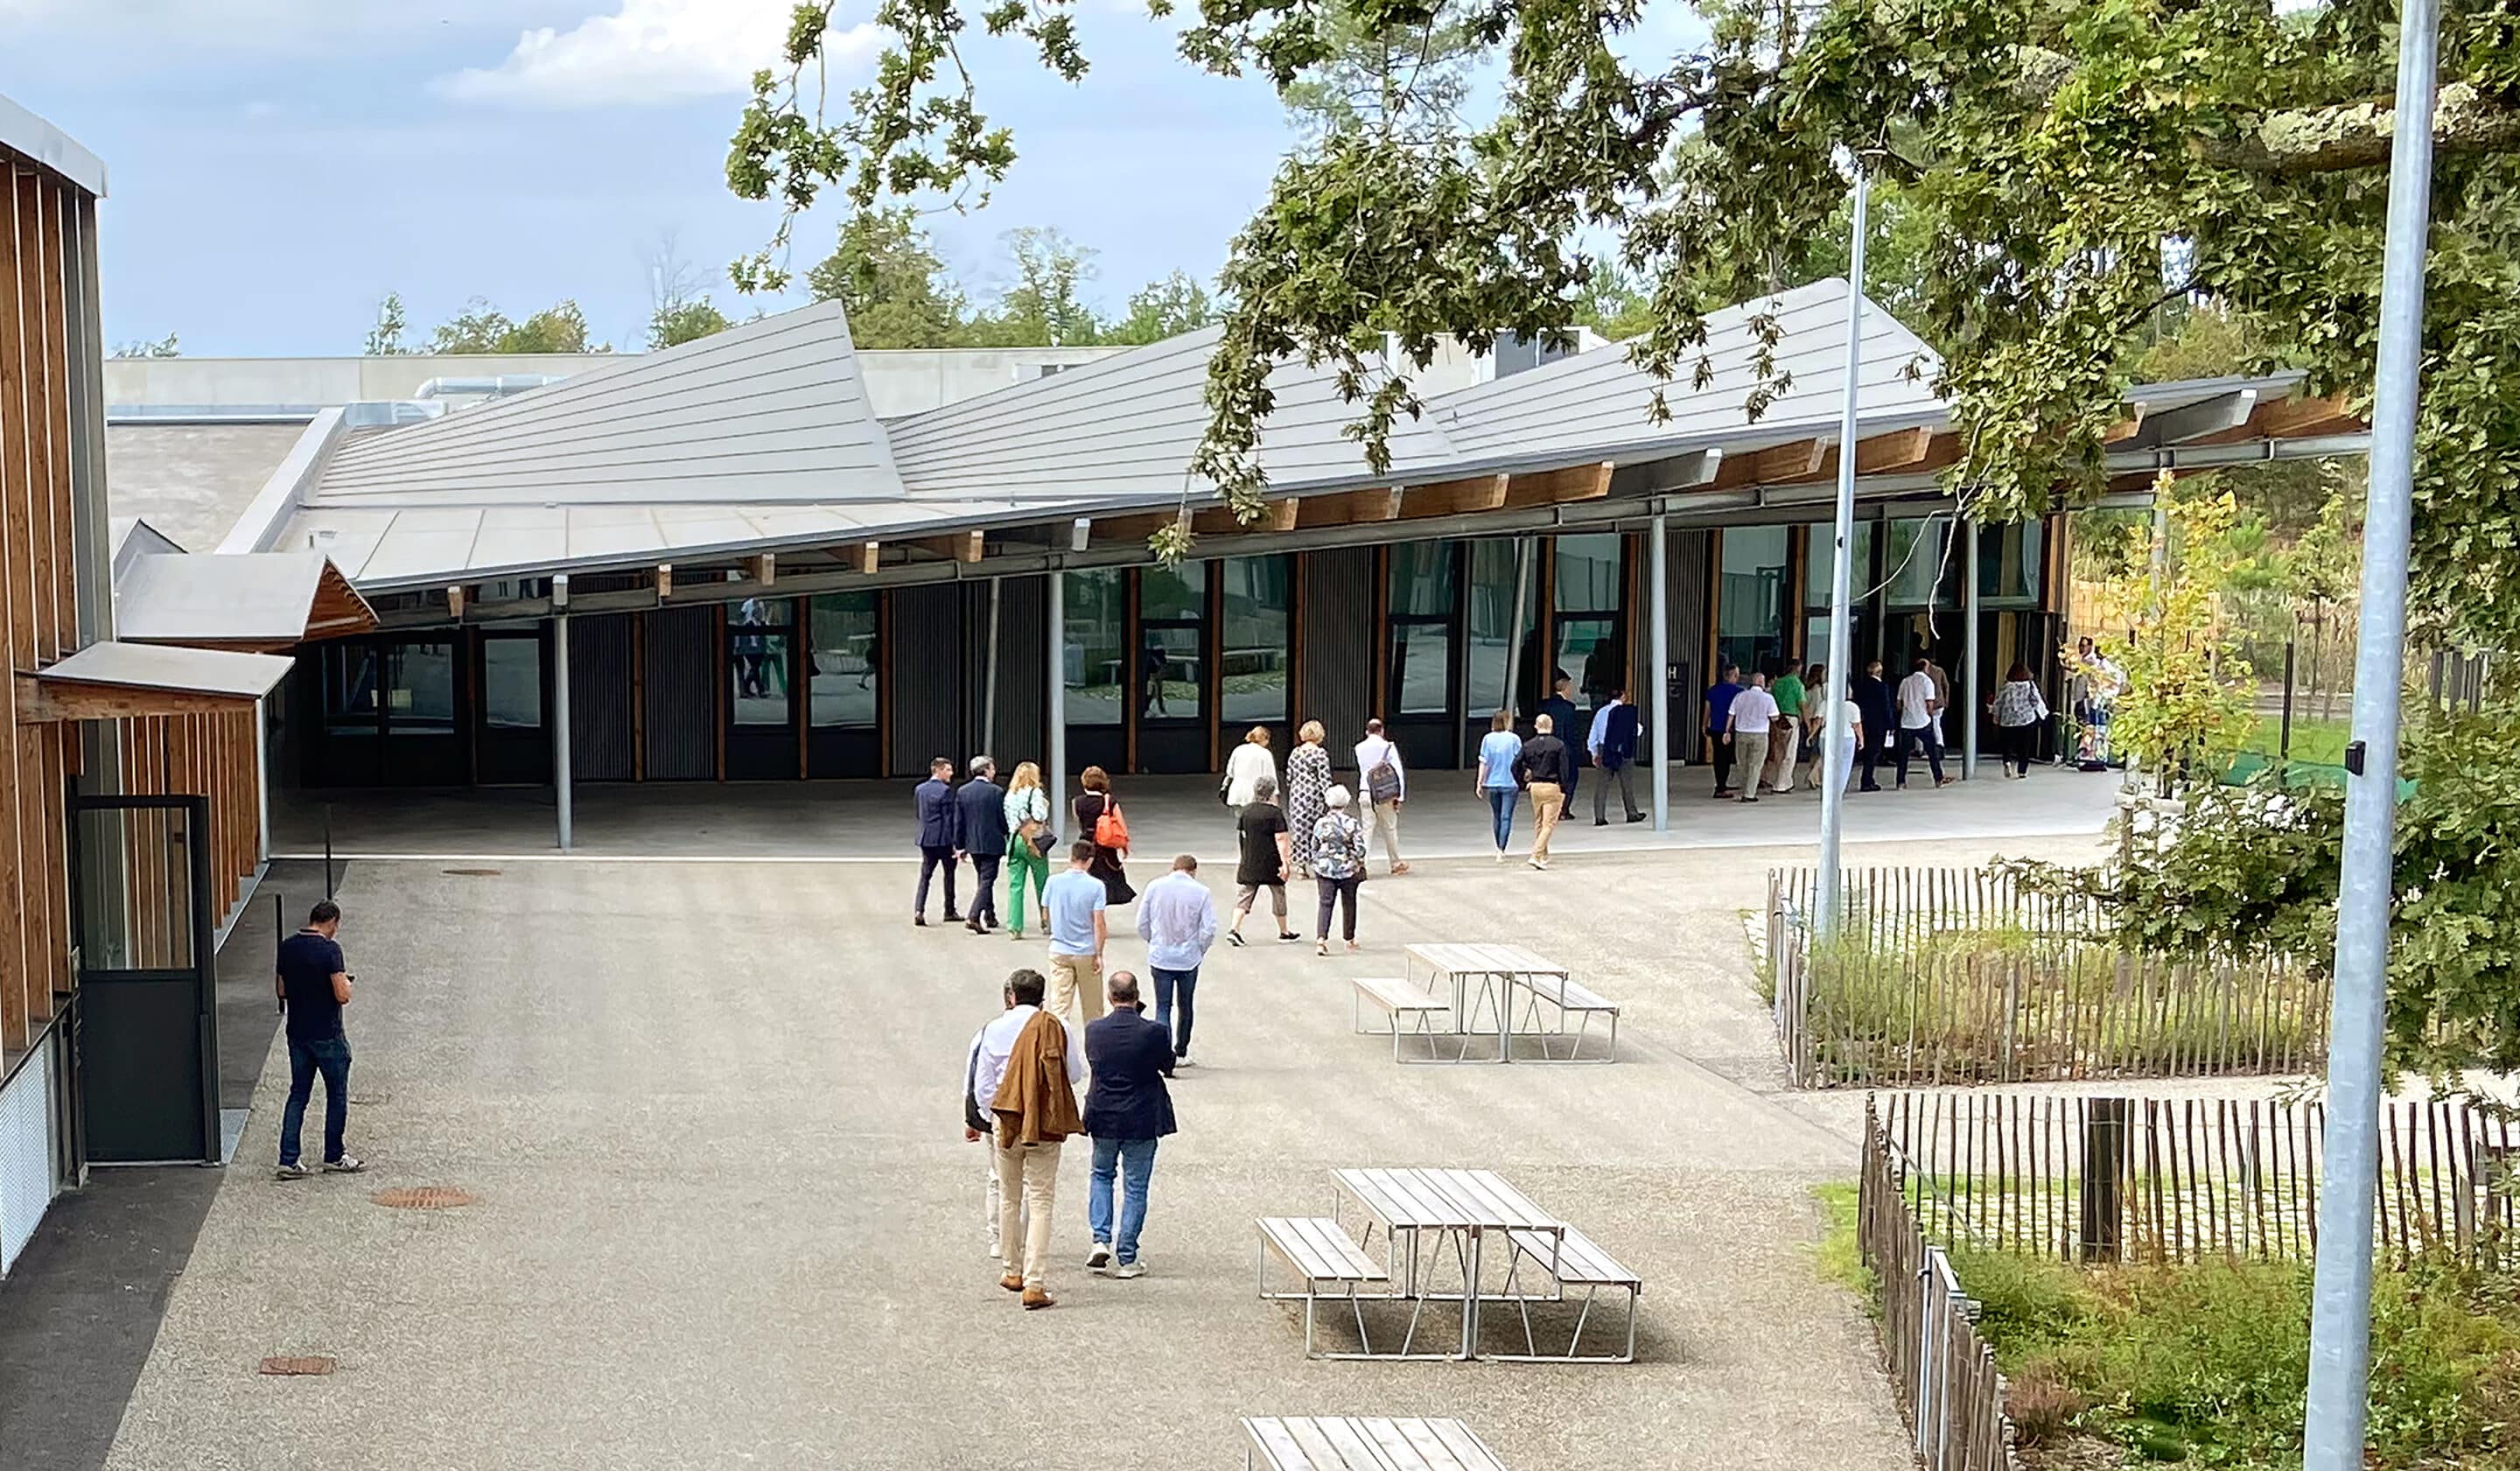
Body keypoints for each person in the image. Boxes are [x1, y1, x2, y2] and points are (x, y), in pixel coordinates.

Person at [975, 968, 1085, 1310]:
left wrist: (994, 1114)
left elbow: (983, 1085)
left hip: (1006, 1121)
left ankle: (1012, 1270)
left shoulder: (993, 1029)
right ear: (1042, 997)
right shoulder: (1058, 1027)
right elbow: (1075, 1074)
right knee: (1040, 1200)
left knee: (1009, 1197)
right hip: (1044, 1125)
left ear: (1011, 997)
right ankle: (1035, 1282)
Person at [1082, 970, 1175, 1279]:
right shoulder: (1155, 1031)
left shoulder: (1094, 1030)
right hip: (1142, 1115)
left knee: (1101, 1174)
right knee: (1135, 1186)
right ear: (1137, 996)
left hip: (1104, 1113)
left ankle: (1100, 1238)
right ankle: (1127, 1256)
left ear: (1110, 997)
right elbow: (1168, 1064)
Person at [275, 899, 364, 1179]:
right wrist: (346, 983)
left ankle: (288, 1159)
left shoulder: (287, 947)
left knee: (298, 1094)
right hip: (327, 1034)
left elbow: (281, 990)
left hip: (298, 1033)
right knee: (336, 1095)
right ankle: (334, 1156)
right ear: (332, 922)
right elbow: (342, 995)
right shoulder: (330, 951)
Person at [1136, 855, 1218, 1067]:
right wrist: (1200, 949)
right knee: (1185, 1005)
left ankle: (1163, 1053)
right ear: (1193, 870)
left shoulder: (1154, 887)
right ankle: (1181, 1051)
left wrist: (1152, 941)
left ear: (1173, 868)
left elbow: (1142, 922)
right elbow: (1209, 929)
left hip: (1161, 955)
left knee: (1163, 1006)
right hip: (1188, 958)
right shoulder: (1201, 892)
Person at [962, 977, 1020, 1259]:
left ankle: (998, 1237)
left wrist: (977, 1117)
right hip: (1034, 1114)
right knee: (1033, 1183)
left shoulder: (988, 1032)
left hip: (998, 1113)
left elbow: (975, 1078)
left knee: (998, 1177)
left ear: (1010, 998)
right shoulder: (1047, 1029)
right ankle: (1021, 1236)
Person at [1227, 774, 1300, 947]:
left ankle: (1234, 929)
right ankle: (1283, 931)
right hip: (1271, 860)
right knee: (1279, 893)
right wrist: (1285, 863)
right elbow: (1281, 839)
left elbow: (1242, 835)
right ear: (1272, 793)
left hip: (1251, 859)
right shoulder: (1275, 813)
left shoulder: (1246, 811)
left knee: (1246, 893)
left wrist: (1244, 855)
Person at [1042, 841, 1110, 1026]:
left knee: (1059, 1007)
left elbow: (1045, 914)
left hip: (1059, 949)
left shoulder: (1052, 882)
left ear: (1071, 857)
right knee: (1093, 1009)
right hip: (1086, 951)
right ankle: (1094, 1051)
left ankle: (1057, 1047)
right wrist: (1099, 953)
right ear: (1089, 861)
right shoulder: (1096, 886)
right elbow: (1099, 923)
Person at [1312, 784, 1368, 956]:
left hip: (1324, 868)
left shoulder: (1321, 823)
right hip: (1348, 868)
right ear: (1346, 802)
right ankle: (1349, 939)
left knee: (1325, 902)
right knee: (1349, 902)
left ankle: (1321, 940)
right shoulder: (1352, 823)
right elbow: (1361, 849)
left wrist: (1318, 859)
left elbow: (1314, 845)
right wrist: (1354, 858)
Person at [1001, 761, 1054, 942]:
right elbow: (1039, 816)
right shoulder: (1035, 792)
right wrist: (1045, 805)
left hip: (1014, 839)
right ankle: (1046, 921)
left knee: (1016, 885)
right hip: (1032, 841)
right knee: (1042, 882)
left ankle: (1014, 927)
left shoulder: (1010, 794)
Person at [956, 755, 1008, 935]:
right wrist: (1006, 833)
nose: (994, 772)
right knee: (987, 880)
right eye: (992, 768)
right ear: (986, 770)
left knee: (983, 879)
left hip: (973, 842)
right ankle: (974, 916)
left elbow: (959, 821)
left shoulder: (963, 791)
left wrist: (960, 845)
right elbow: (1002, 819)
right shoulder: (996, 792)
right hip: (992, 841)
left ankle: (990, 915)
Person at [1352, 718, 1410, 875]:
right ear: (1382, 730)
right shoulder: (1388, 747)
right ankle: (1395, 862)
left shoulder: (1359, 748)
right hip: (1384, 793)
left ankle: (1362, 864)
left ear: (1367, 731)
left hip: (1365, 790)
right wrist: (1400, 796)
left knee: (1367, 829)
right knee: (1390, 828)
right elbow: (1398, 772)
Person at [1072, 765, 1134, 907]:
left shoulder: (1077, 802)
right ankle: (1099, 913)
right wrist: (1124, 847)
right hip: (1105, 847)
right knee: (1107, 883)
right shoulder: (1110, 802)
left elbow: (1079, 824)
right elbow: (1121, 826)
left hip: (1085, 844)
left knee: (1085, 879)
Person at [1515, 713, 1572, 870]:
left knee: (1539, 821)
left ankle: (1543, 855)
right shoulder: (1558, 745)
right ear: (1551, 726)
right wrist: (1564, 788)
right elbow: (1564, 769)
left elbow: (1515, 765)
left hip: (1535, 786)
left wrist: (1522, 782)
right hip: (1552, 786)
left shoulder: (1528, 745)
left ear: (1536, 726)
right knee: (1549, 824)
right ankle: (1535, 854)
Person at [913, 755, 961, 927]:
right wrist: (956, 843)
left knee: (925, 875)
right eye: (948, 770)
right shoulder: (946, 791)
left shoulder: (920, 789)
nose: (951, 773)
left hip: (926, 837)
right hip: (943, 839)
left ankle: (919, 909)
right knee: (949, 874)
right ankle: (949, 910)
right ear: (938, 770)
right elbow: (949, 819)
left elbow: (919, 813)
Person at [1283, 722, 1334, 879]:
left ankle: (1300, 866)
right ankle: (1318, 862)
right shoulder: (1320, 754)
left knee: (1299, 830)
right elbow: (1324, 779)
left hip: (1297, 794)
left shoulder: (1295, 753)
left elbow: (1289, 777)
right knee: (1317, 829)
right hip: (1314, 795)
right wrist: (1330, 798)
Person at [1587, 689, 1645, 824]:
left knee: (1602, 784)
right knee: (1627, 784)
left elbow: (1592, 735)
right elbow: (1637, 730)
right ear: (1623, 697)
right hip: (1623, 749)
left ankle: (1599, 816)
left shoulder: (1601, 712)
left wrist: (1594, 753)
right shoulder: (1626, 712)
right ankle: (1631, 813)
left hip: (1604, 748)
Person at [1895, 655, 1954, 788]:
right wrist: (1929, 714)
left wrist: (1904, 711)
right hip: (1922, 721)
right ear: (1925, 668)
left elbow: (1899, 703)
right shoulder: (1927, 682)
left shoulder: (1905, 681)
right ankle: (1938, 779)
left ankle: (1901, 782)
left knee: (1903, 755)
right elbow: (1929, 702)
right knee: (1932, 752)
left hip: (1907, 721)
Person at [1474, 711, 1523, 859]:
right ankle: (1502, 848)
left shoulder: (1487, 739)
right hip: (1510, 782)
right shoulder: (1514, 739)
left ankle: (1497, 845)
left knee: (1496, 816)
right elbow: (1520, 760)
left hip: (1493, 782)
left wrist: (1479, 782)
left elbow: (1484, 762)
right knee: (1506, 816)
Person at [1989, 662, 2050, 779]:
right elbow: (2036, 700)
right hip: (2025, 719)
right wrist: (2043, 713)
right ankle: (2022, 771)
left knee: (2007, 744)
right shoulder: (2030, 685)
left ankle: (2007, 761)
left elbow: (1999, 703)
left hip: (2007, 720)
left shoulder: (2007, 686)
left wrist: (1995, 716)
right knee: (2024, 746)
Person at [1725, 671, 1778, 804]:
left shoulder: (1740, 696)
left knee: (1742, 763)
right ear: (1761, 682)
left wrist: (1727, 731)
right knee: (1756, 765)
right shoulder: (1768, 698)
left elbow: (1731, 714)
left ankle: (1744, 789)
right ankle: (1749, 793)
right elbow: (1774, 717)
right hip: (1760, 734)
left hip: (1741, 733)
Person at [1852, 659, 1896, 793]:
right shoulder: (1882, 687)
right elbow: (1886, 707)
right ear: (1880, 672)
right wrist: (1891, 724)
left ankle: (1868, 780)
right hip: (1878, 724)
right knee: (1874, 753)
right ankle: (1867, 781)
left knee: (1866, 751)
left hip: (1864, 722)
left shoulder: (1861, 686)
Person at [1540, 671, 1582, 809]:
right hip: (1565, 748)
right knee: (1569, 778)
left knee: (1551, 777)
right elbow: (1571, 732)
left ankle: (1551, 806)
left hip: (1547, 745)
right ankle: (1564, 808)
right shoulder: (1568, 709)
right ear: (1566, 688)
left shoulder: (1546, 706)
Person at [1766, 657, 1806, 794]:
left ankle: (1780, 780)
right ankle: (1782, 784)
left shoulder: (1777, 683)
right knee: (1790, 752)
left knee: (1779, 751)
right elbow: (1802, 704)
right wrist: (1808, 722)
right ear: (1797, 669)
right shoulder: (1797, 684)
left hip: (1778, 719)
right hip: (1791, 718)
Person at [1704, 664, 1743, 798]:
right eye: (1736, 675)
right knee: (1727, 758)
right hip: (1730, 729)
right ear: (1733, 676)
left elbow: (1707, 709)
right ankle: (1721, 787)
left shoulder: (1713, 690)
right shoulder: (1739, 691)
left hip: (1715, 728)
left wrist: (1704, 725)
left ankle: (1721, 783)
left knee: (1718, 757)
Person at [1221, 725, 1278, 813]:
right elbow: (1270, 777)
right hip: (1256, 794)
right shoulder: (1265, 754)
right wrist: (1275, 795)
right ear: (1265, 739)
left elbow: (1230, 772)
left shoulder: (1238, 750)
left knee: (1241, 821)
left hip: (1237, 792)